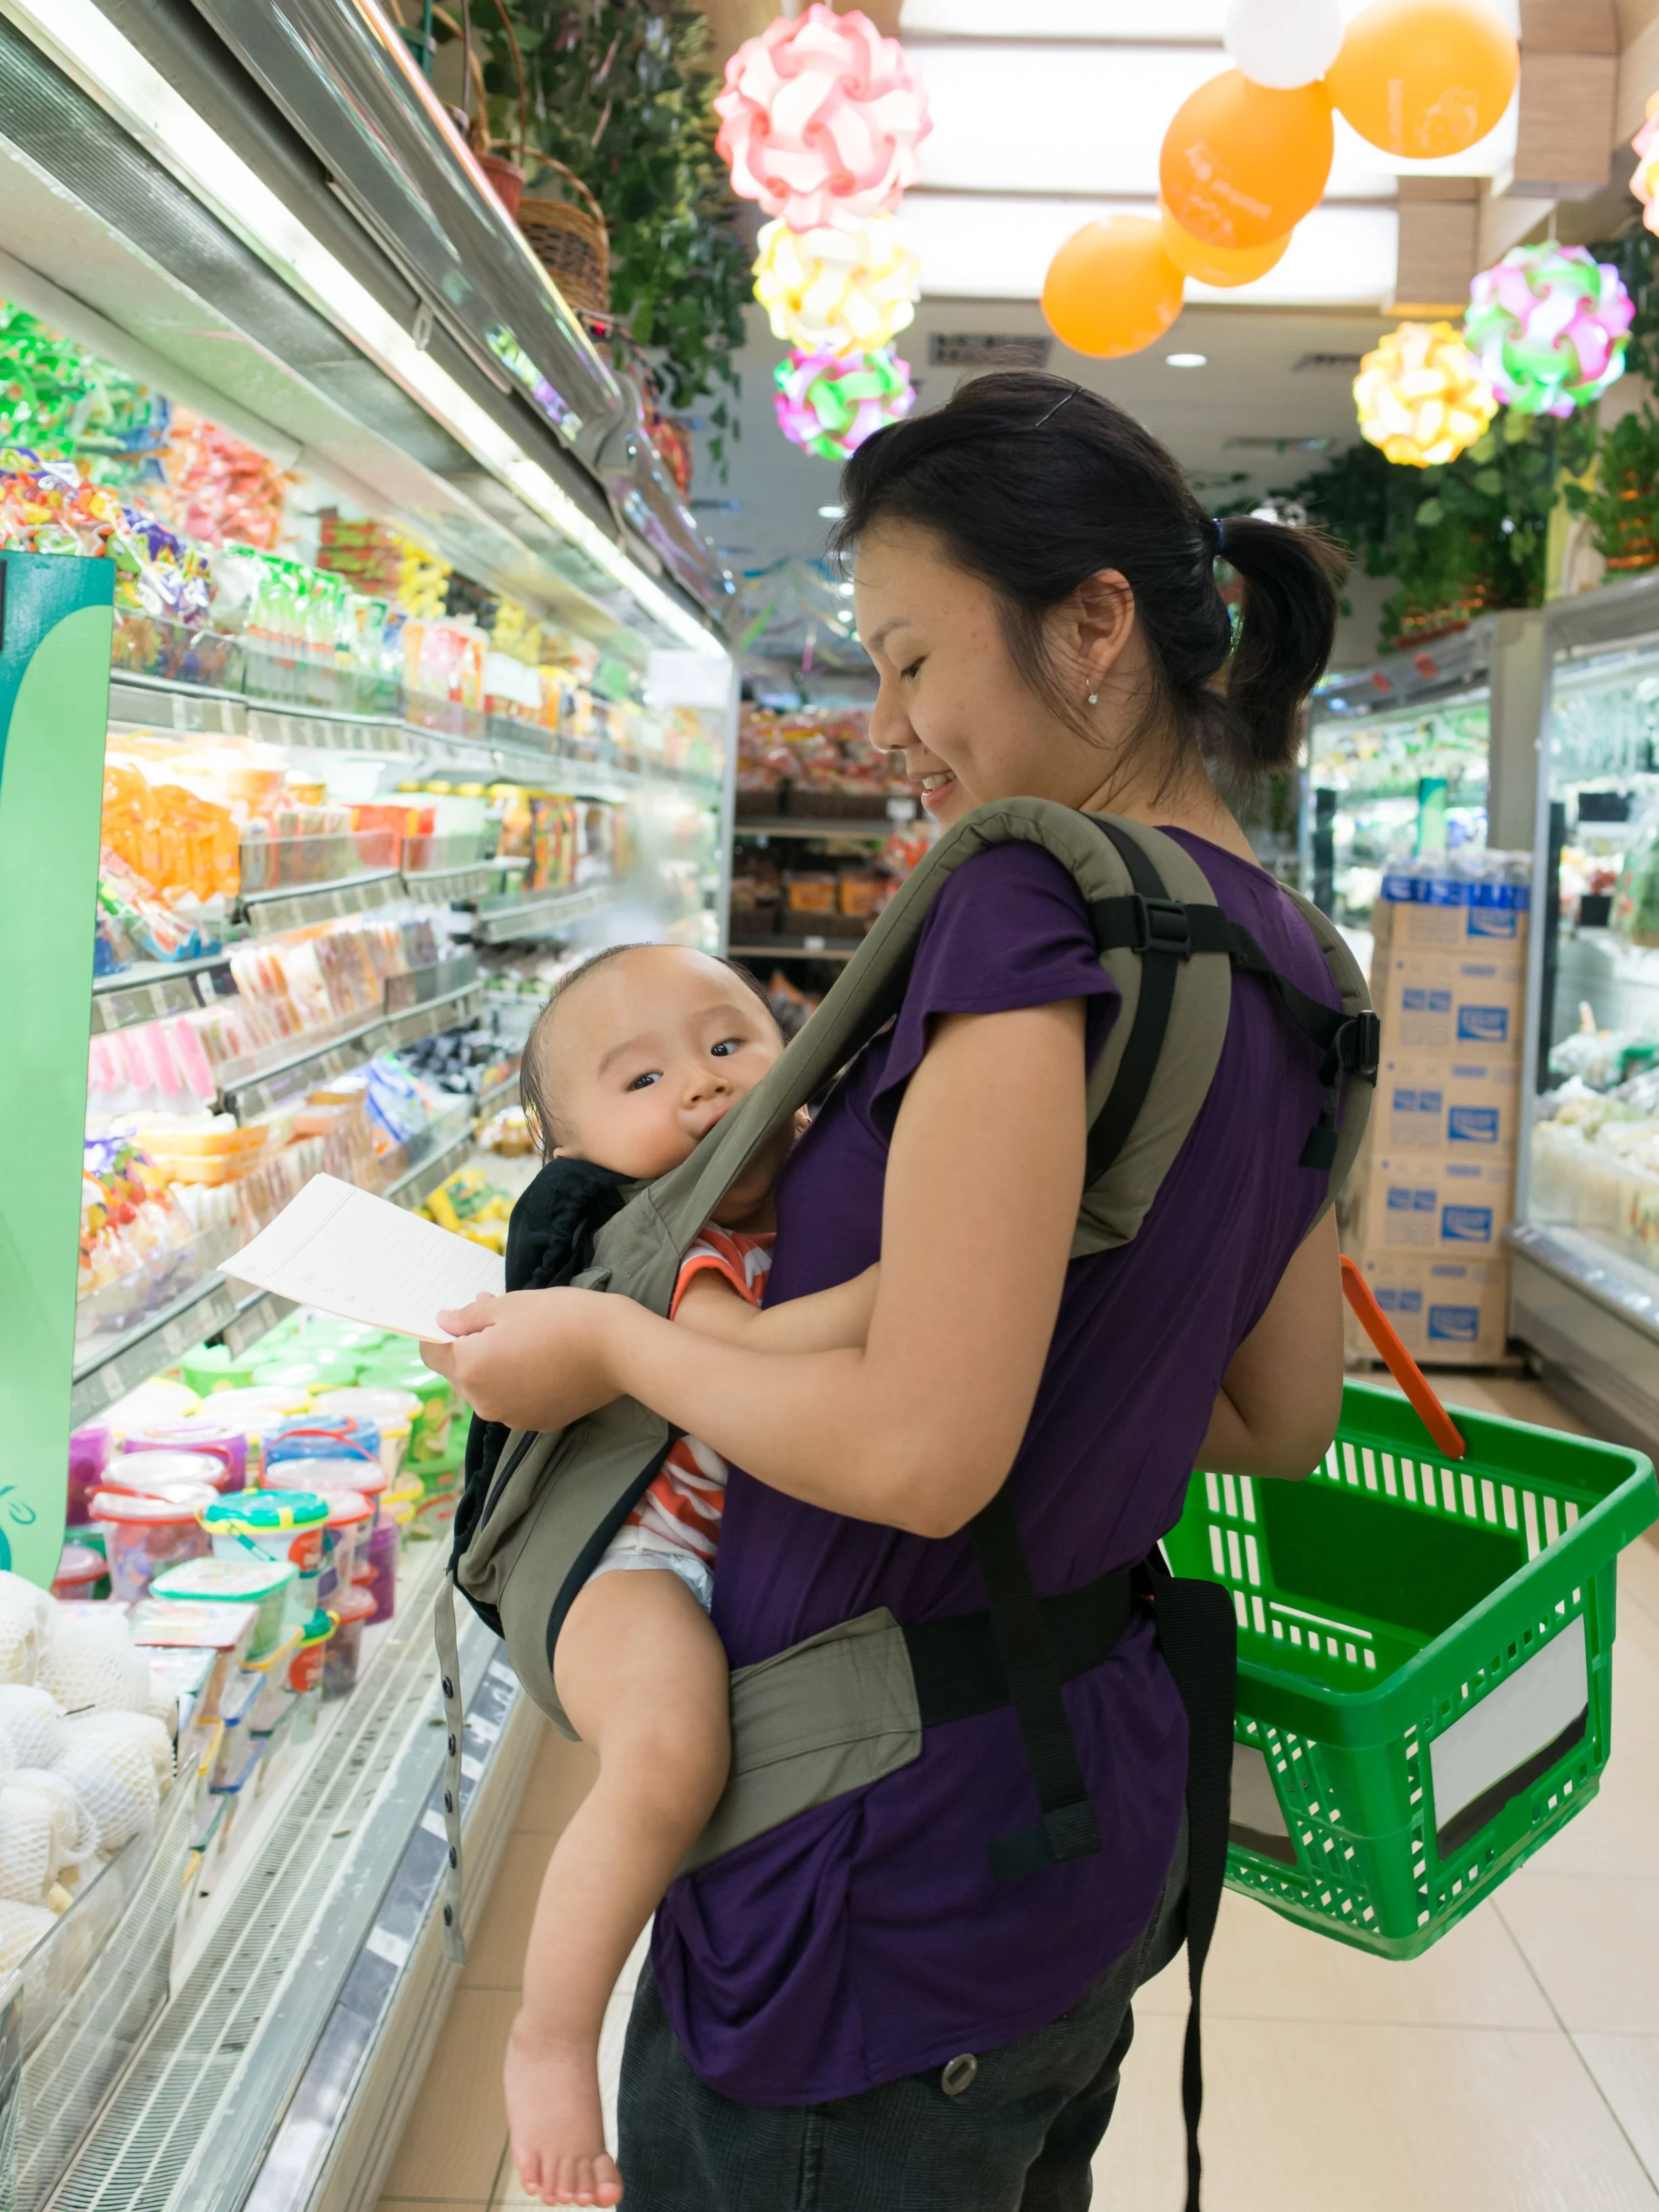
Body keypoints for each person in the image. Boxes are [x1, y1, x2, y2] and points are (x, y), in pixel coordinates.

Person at [427, 370, 1350, 2211]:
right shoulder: (1297, 959)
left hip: (872, 1859)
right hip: (1083, 1809)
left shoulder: (1023, 903)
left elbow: (926, 1455)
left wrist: (620, 1336)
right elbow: (1277, 1412)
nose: (890, 724)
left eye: (916, 662)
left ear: (1094, 627)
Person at [488, 944, 877, 2209]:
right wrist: (921, 1287)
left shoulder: (828, 1184)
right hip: (639, 1561)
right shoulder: (677, 1240)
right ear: (575, 1145)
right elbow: (753, 1352)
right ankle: (549, 2038)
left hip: (743, 1562)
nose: (703, 1089)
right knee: (667, 1757)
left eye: (729, 1045)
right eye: (644, 1076)